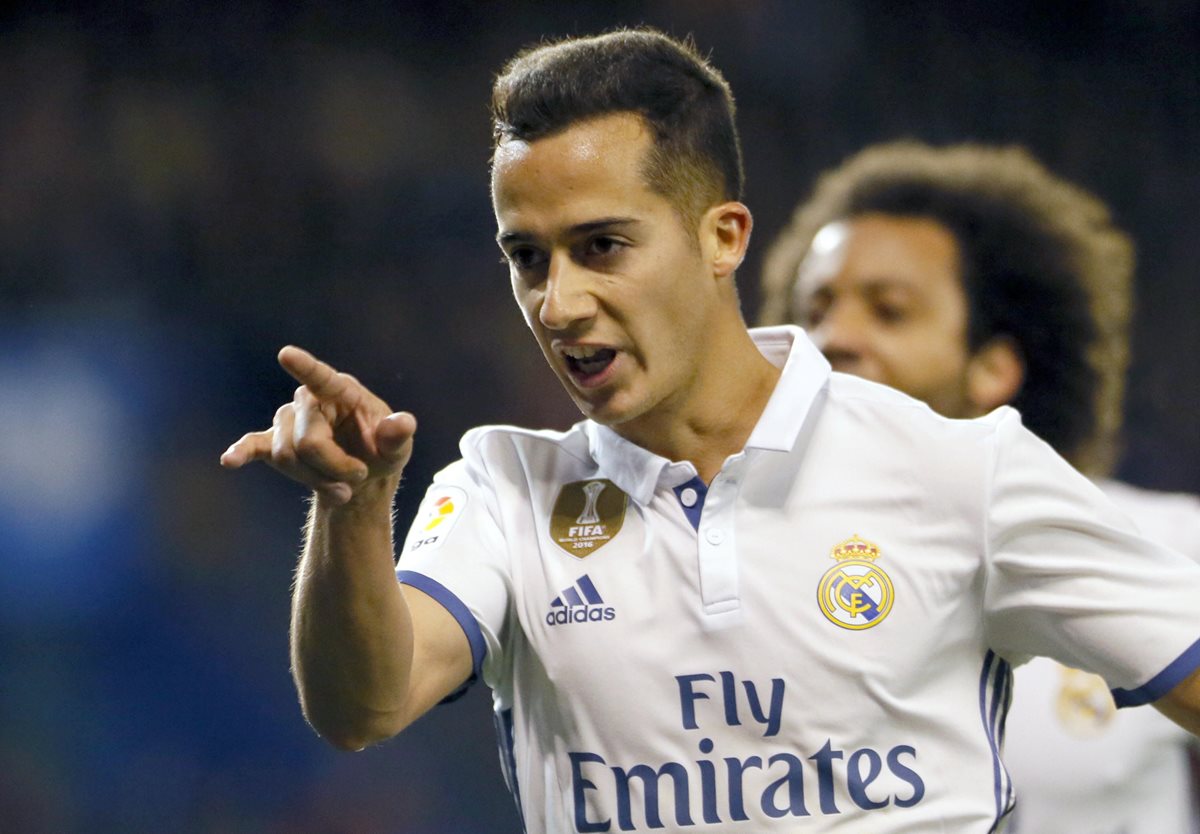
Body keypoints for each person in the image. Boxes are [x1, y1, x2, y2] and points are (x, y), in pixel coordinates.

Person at [222, 30, 1200, 832]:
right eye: (528, 258)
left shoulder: (960, 470)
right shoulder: (499, 489)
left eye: (602, 246)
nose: (558, 302)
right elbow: (361, 708)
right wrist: (353, 509)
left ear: (722, 237)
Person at [758, 139, 1200, 834]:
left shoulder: (1168, 543)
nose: (833, 336)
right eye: (814, 310)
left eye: (889, 310)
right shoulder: (741, 563)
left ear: (991, 369)